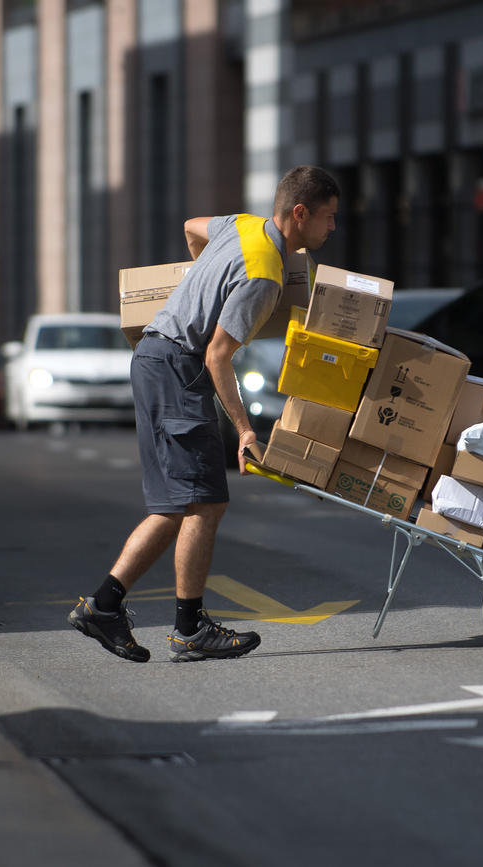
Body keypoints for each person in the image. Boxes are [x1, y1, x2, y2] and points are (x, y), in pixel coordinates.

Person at [68, 165, 340, 663]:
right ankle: (187, 627)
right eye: (328, 217)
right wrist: (244, 430)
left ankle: (105, 607)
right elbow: (218, 354)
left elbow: (194, 227)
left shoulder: (243, 226)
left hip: (154, 356)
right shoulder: (264, 275)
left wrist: (202, 282)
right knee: (203, 502)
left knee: (179, 505)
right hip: (179, 366)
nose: (332, 227)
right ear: (300, 214)